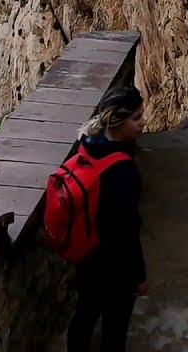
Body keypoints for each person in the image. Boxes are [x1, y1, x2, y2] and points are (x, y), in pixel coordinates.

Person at [65, 85, 147, 352]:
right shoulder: (121, 168)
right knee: (115, 327)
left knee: (85, 313)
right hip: (114, 262)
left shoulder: (85, 143)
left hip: (86, 250)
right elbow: (128, 228)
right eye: (137, 118)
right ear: (118, 122)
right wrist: (139, 274)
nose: (143, 122)